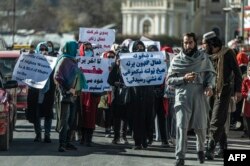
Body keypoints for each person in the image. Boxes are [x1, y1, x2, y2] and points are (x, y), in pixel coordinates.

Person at [167, 32, 216, 166]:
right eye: (185, 43)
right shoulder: (177, 60)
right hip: (182, 96)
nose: (188, 45)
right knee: (181, 127)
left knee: (200, 127)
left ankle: (200, 150)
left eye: (190, 42)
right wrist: (183, 78)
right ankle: (180, 157)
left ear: (195, 43)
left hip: (200, 95)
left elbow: (210, 76)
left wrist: (209, 86)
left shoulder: (203, 58)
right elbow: (169, 80)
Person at [202, 31, 242, 160]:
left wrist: (238, 90)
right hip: (209, 91)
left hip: (224, 91)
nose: (203, 47)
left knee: (217, 119)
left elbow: (237, 73)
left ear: (211, 44)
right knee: (214, 119)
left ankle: (210, 148)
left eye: (204, 44)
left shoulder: (228, 53)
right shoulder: (206, 55)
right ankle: (223, 146)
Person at [54, 41, 87, 152]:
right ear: (69, 48)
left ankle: (68, 142)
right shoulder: (64, 60)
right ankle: (62, 144)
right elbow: (57, 77)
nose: (77, 50)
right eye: (75, 48)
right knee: (64, 120)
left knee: (72, 120)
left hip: (74, 96)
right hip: (65, 96)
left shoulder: (72, 60)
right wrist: (69, 89)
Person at [108, 46, 131, 145]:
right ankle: (116, 137)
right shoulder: (115, 66)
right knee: (117, 117)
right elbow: (109, 80)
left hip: (127, 95)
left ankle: (123, 136)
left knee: (125, 117)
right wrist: (115, 83)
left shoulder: (131, 66)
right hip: (116, 95)